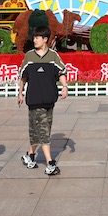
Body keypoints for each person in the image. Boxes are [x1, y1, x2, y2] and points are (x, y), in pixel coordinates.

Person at [17, 10, 68, 176]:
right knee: (44, 132)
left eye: (37, 37)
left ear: (45, 39)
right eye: (34, 37)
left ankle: (29, 155)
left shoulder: (53, 56)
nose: (35, 40)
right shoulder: (29, 56)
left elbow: (61, 72)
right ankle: (50, 163)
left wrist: (65, 86)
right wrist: (20, 93)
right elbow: (23, 77)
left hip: (49, 99)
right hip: (34, 99)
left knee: (38, 130)